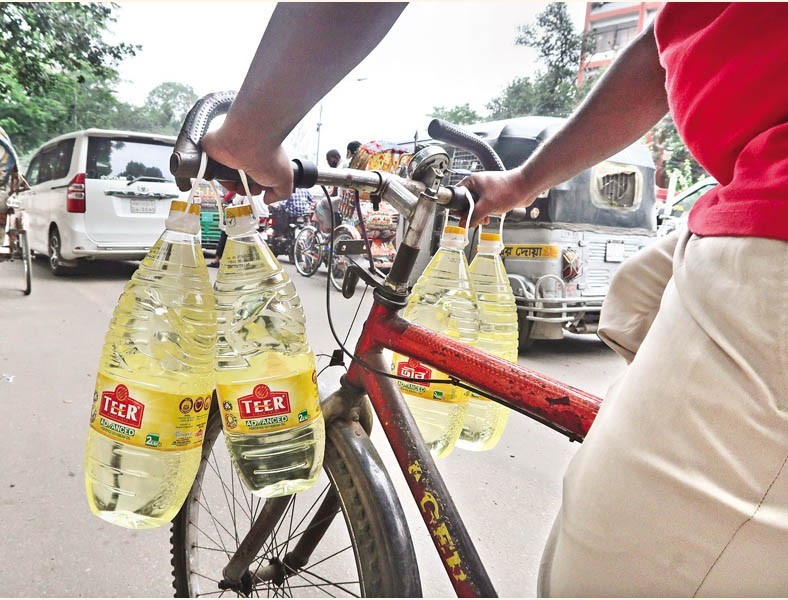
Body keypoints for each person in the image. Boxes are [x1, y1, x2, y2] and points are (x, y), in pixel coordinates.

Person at [200, 3, 787, 596]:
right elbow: (666, 43)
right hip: (742, 206)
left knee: (598, 579)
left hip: (772, 234)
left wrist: (249, 135)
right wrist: (520, 183)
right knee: (632, 302)